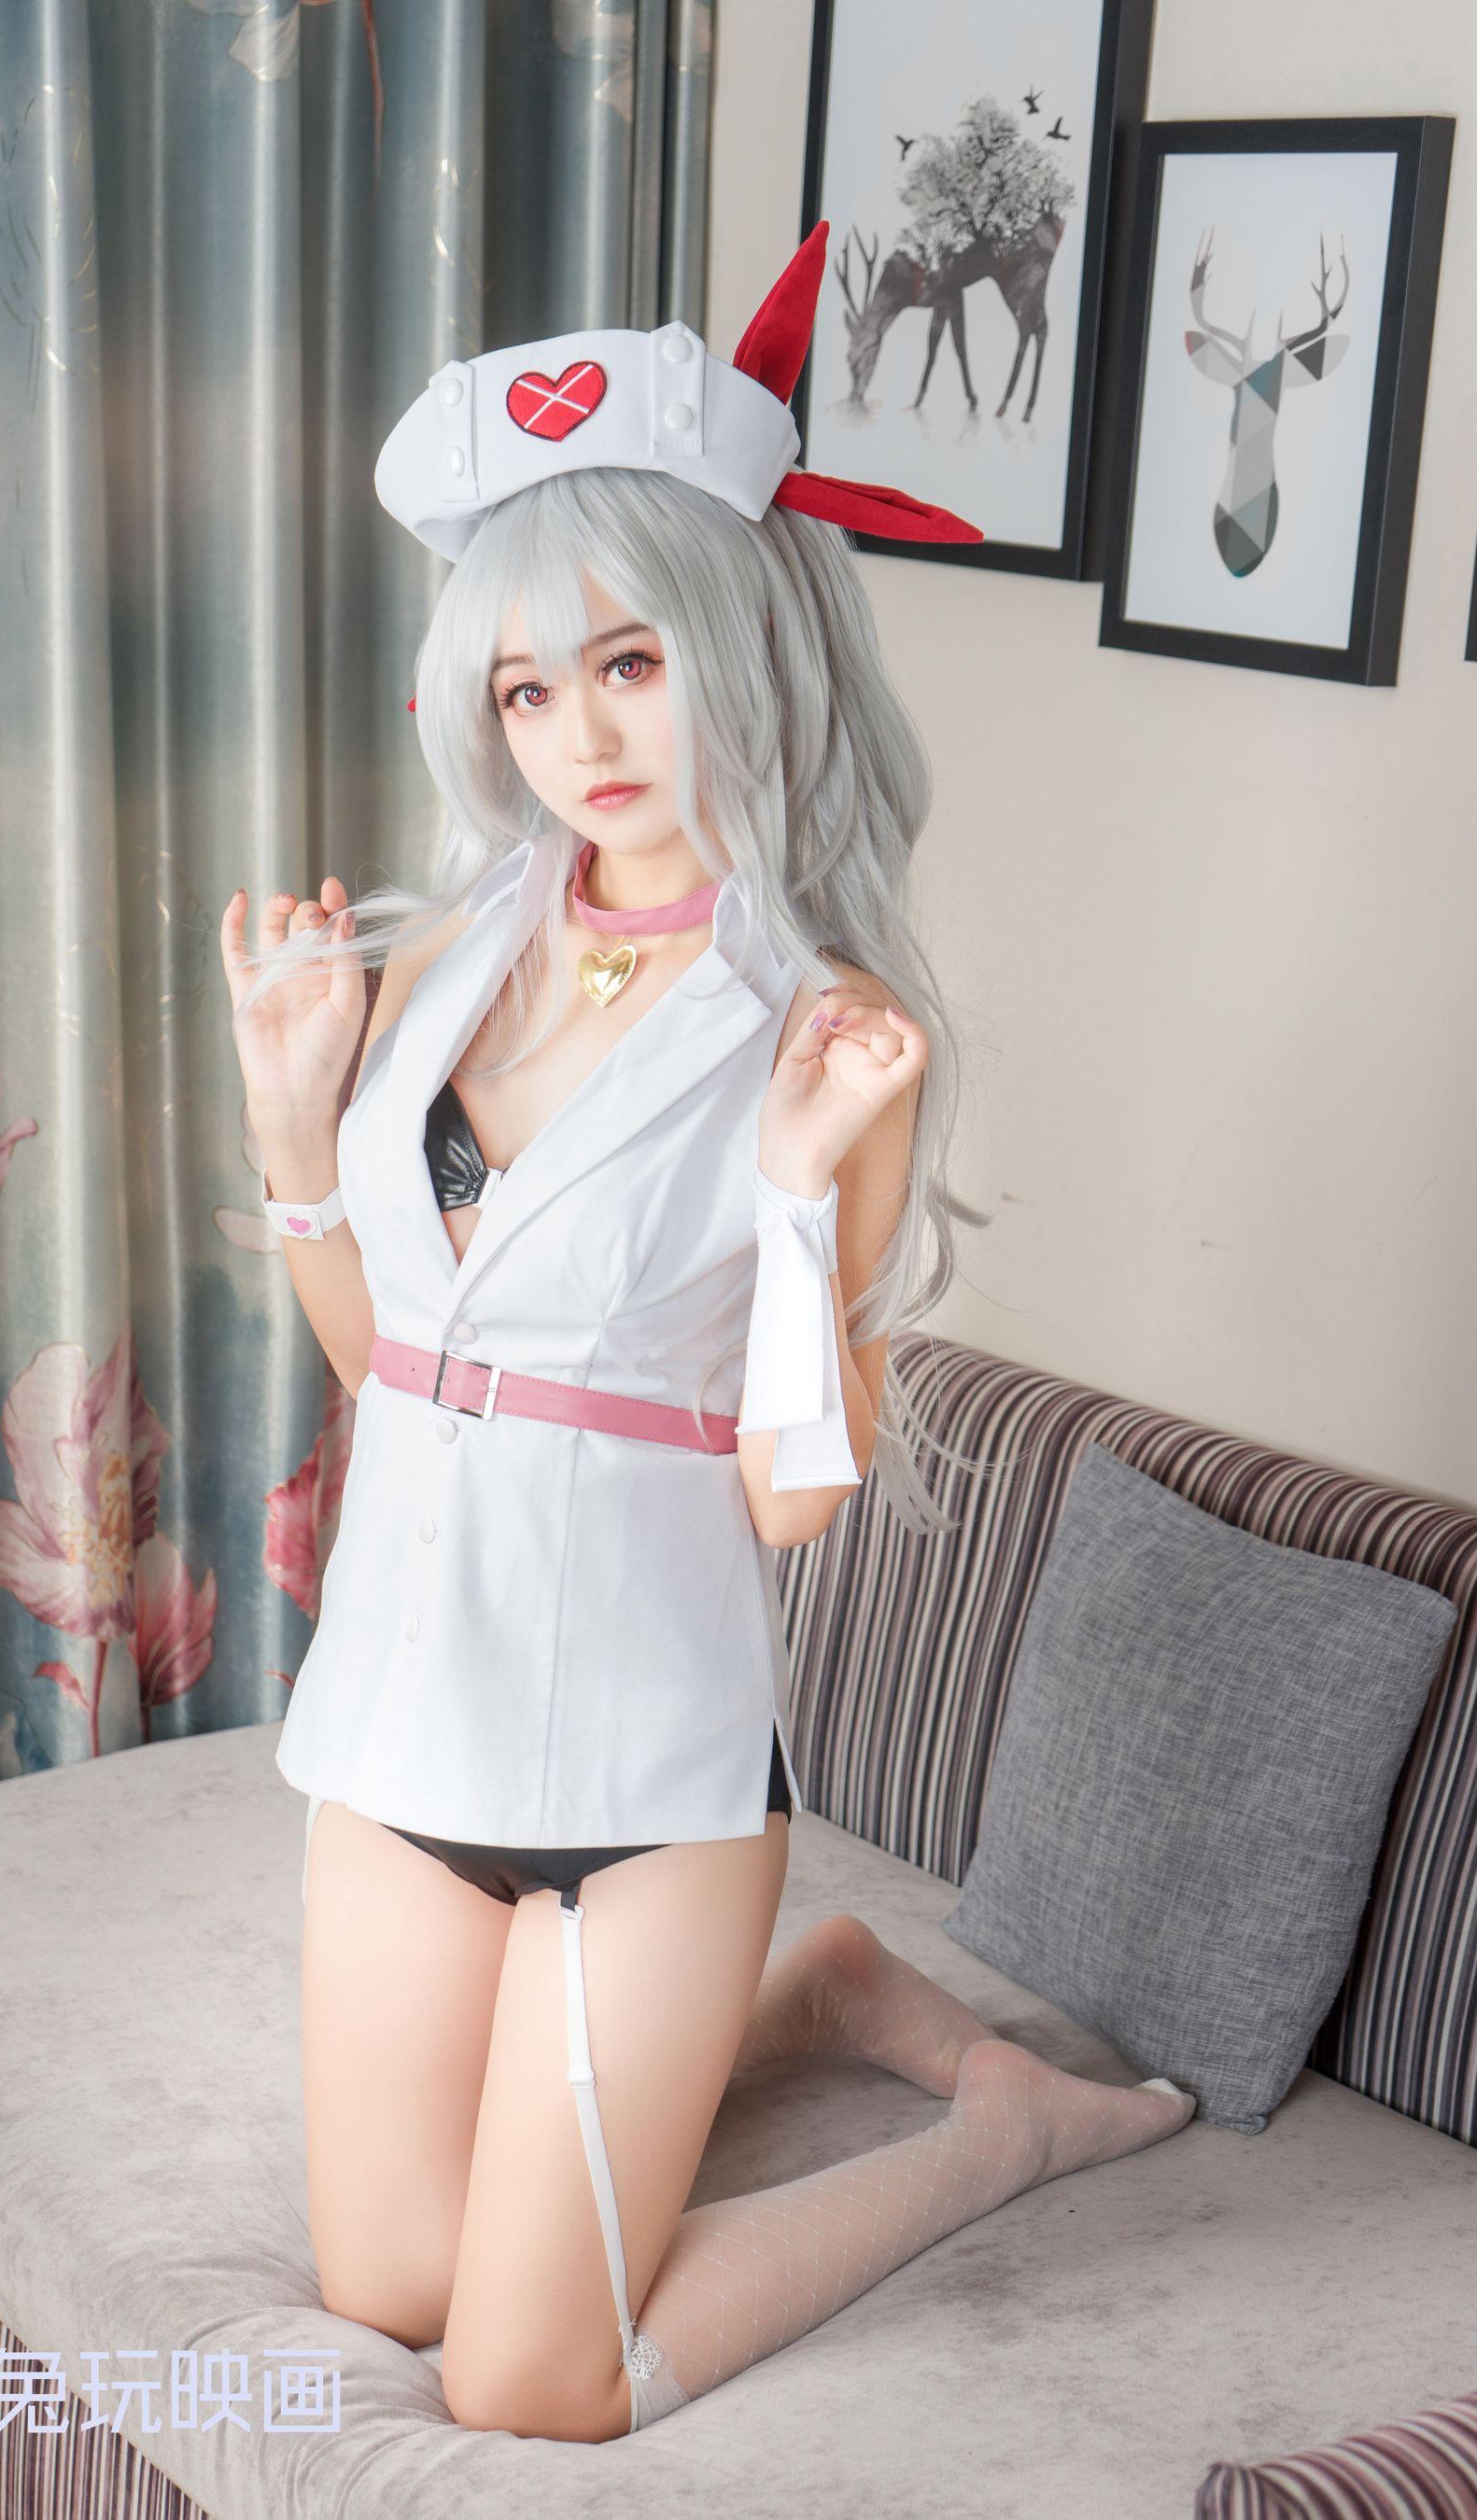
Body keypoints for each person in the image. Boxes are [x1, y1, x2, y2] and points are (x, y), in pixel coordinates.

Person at [218, 225, 1195, 2446]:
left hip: (649, 1782)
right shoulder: (451, 956)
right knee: (385, 2284)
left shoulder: (823, 1028)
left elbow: (789, 1499)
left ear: (735, 643)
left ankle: (993, 2129)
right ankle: (815, 2000)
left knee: (528, 2378)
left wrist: (790, 1181)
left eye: (629, 663)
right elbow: (398, 1380)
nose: (578, 739)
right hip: (401, 1736)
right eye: (525, 690)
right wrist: (293, 1136)